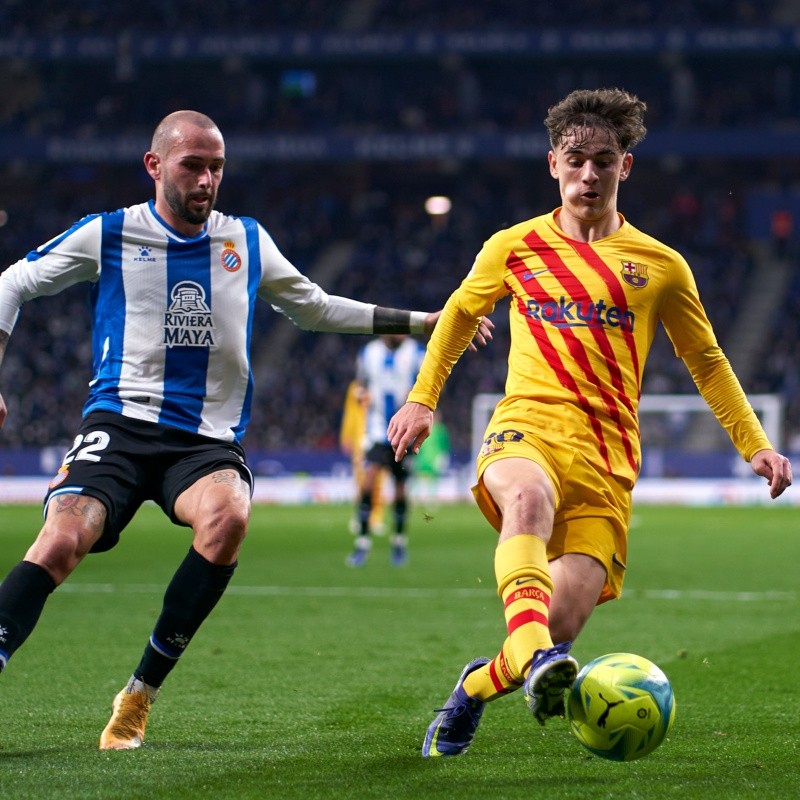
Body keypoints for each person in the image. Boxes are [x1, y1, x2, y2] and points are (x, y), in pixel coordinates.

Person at [0, 110, 490, 751]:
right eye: (192, 166)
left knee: (229, 517)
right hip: (119, 426)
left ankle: (140, 694)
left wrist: (423, 321)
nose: (206, 180)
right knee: (64, 538)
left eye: (216, 167)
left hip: (204, 442)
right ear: (155, 166)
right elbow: (12, 281)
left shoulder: (246, 242)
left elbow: (312, 306)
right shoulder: (112, 233)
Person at [387, 87, 793, 757]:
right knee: (525, 498)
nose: (588, 174)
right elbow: (459, 314)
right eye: (575, 159)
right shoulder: (513, 247)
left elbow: (708, 360)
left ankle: (472, 689)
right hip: (527, 427)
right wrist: (422, 398)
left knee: (554, 630)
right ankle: (529, 664)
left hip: (606, 459)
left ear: (624, 168)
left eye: (604, 160)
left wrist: (755, 445)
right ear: (553, 164)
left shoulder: (661, 266)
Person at [346, 333, 426, 568]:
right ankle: (362, 542)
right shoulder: (368, 353)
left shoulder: (417, 352)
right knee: (368, 483)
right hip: (378, 431)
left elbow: (429, 382)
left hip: (404, 432)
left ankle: (399, 541)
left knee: (400, 489)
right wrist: (360, 394)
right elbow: (359, 385)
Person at [339, 379, 387, 536]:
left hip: (377, 436)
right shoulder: (354, 387)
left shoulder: (382, 382)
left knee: (379, 480)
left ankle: (376, 517)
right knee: (361, 481)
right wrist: (346, 435)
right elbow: (350, 412)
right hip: (360, 439)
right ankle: (360, 516)